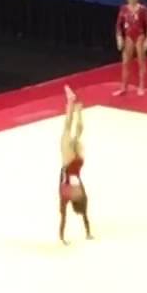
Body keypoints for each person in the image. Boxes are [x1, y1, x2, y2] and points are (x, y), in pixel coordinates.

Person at [58, 85, 92, 245]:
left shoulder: (78, 195)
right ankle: (72, 104)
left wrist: (88, 233)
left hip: (77, 162)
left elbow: (67, 217)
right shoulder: (68, 196)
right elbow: (64, 216)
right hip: (70, 163)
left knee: (75, 133)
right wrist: (62, 237)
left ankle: (77, 109)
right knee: (68, 130)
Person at [115, 0, 147, 96]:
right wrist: (119, 38)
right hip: (129, 37)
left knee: (141, 62)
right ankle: (123, 87)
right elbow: (118, 25)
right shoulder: (124, 8)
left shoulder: (142, 9)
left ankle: (141, 86)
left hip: (139, 36)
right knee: (125, 62)